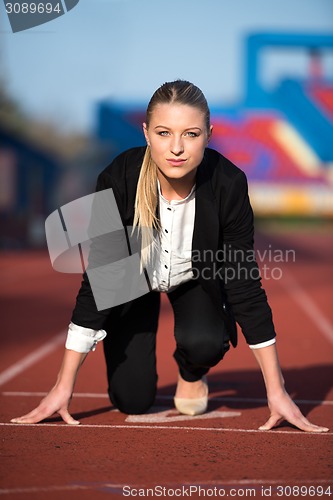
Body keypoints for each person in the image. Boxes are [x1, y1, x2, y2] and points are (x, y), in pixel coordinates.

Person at [11, 80, 328, 432]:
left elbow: (244, 284)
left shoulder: (229, 184)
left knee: (204, 343)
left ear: (209, 134)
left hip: (195, 278)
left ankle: (191, 372)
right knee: (131, 399)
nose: (176, 148)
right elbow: (101, 278)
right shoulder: (119, 178)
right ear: (146, 133)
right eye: (164, 132)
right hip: (133, 282)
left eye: (190, 134)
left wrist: (277, 389)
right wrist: (63, 385)